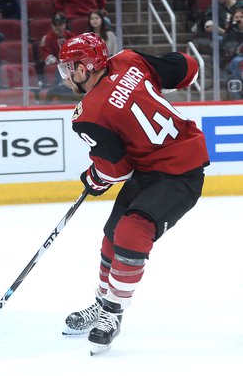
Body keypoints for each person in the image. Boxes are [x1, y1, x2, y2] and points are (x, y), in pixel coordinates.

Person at [57, 33, 209, 355]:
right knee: (112, 236)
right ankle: (101, 305)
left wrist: (93, 179)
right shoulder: (128, 60)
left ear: (87, 66)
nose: (67, 75)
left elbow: (115, 171)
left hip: (180, 173)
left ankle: (112, 313)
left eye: (71, 68)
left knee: (131, 230)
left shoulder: (89, 114)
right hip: (151, 168)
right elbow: (187, 68)